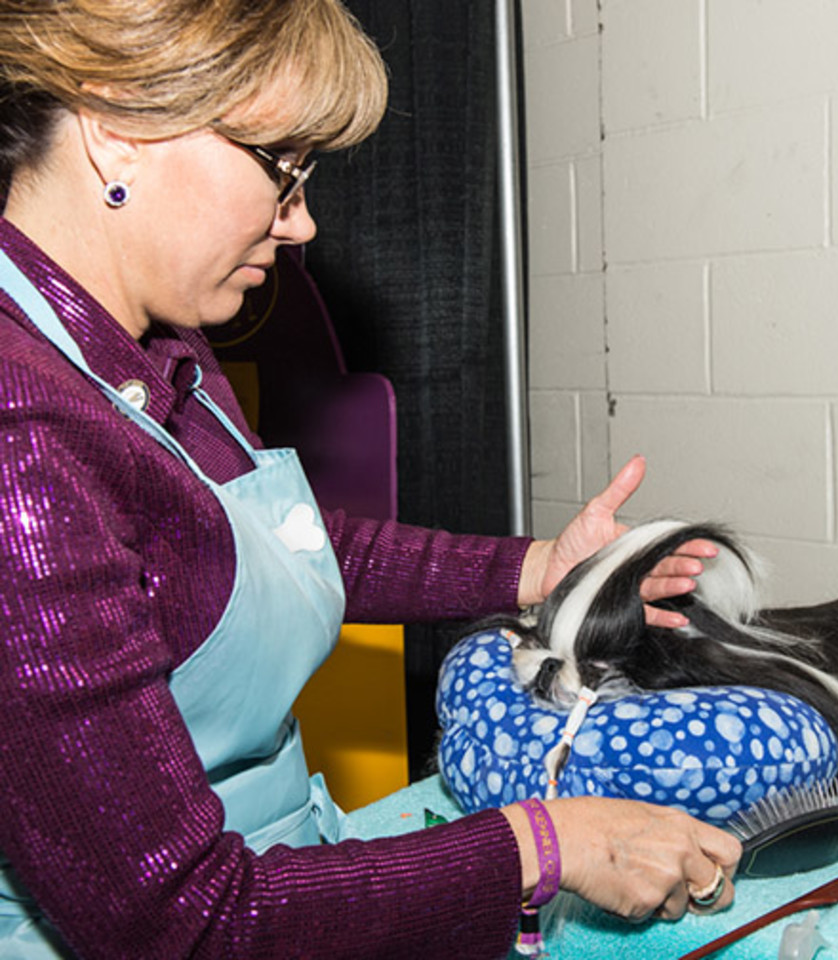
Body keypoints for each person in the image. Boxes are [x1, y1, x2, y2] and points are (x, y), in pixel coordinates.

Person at [0, 1, 742, 957]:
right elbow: (184, 922)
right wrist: (542, 844)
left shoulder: (153, 338)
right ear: (118, 130)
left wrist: (540, 569)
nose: (301, 222)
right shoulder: (21, 434)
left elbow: (267, 553)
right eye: (283, 168)